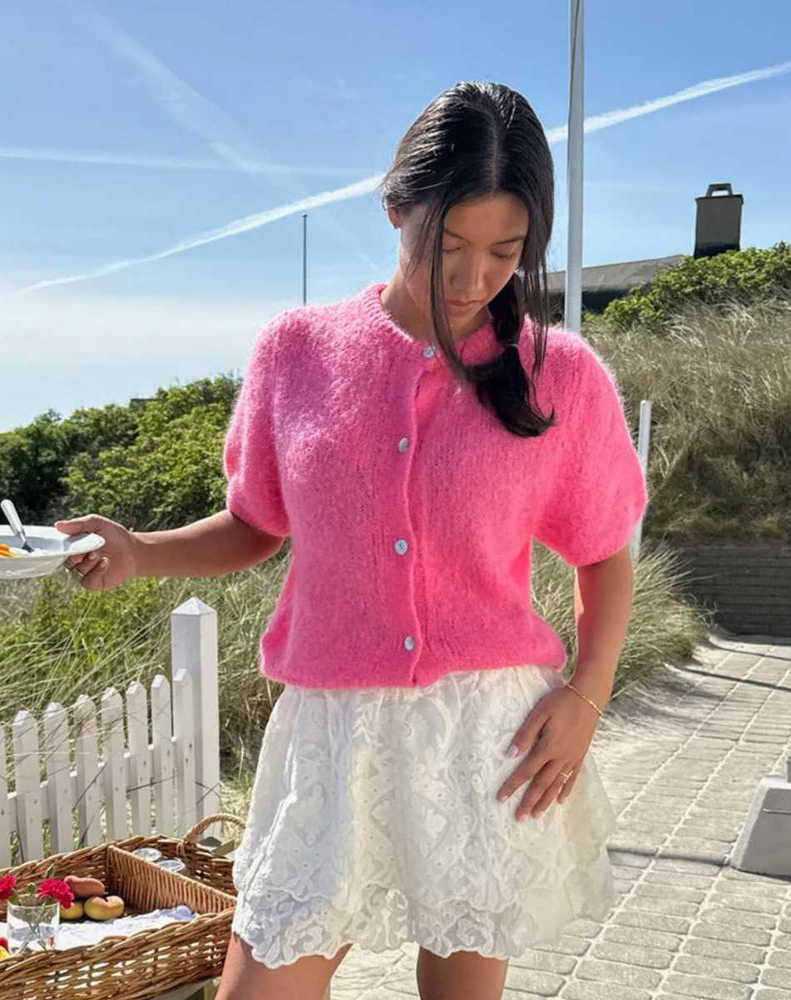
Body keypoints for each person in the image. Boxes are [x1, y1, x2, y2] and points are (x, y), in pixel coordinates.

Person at [58, 80, 647, 1000]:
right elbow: (256, 522)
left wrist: (588, 695)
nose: (473, 279)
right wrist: (140, 550)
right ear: (395, 208)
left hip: (483, 733)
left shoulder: (558, 374)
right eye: (448, 246)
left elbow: (605, 550)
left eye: (505, 252)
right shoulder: (297, 351)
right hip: (332, 732)